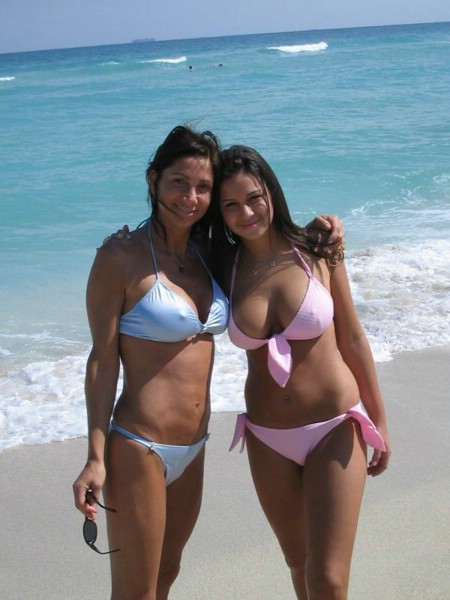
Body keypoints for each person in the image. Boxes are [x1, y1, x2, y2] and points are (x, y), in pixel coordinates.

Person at [72, 125, 344, 600]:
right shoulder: (120, 256)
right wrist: (95, 456)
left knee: (167, 573)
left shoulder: (210, 254)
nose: (190, 197)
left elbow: (268, 250)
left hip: (193, 447)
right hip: (139, 445)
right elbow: (102, 360)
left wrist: (320, 230)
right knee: (136, 592)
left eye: (202, 187)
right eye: (179, 182)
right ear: (154, 179)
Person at [210, 145, 391, 600]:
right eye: (231, 205)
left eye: (254, 197)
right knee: (298, 565)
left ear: (271, 192)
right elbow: (166, 247)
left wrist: (379, 420)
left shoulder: (318, 248)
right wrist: (128, 243)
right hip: (267, 437)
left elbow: (353, 338)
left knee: (327, 579)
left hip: (335, 425)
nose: (246, 212)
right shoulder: (221, 267)